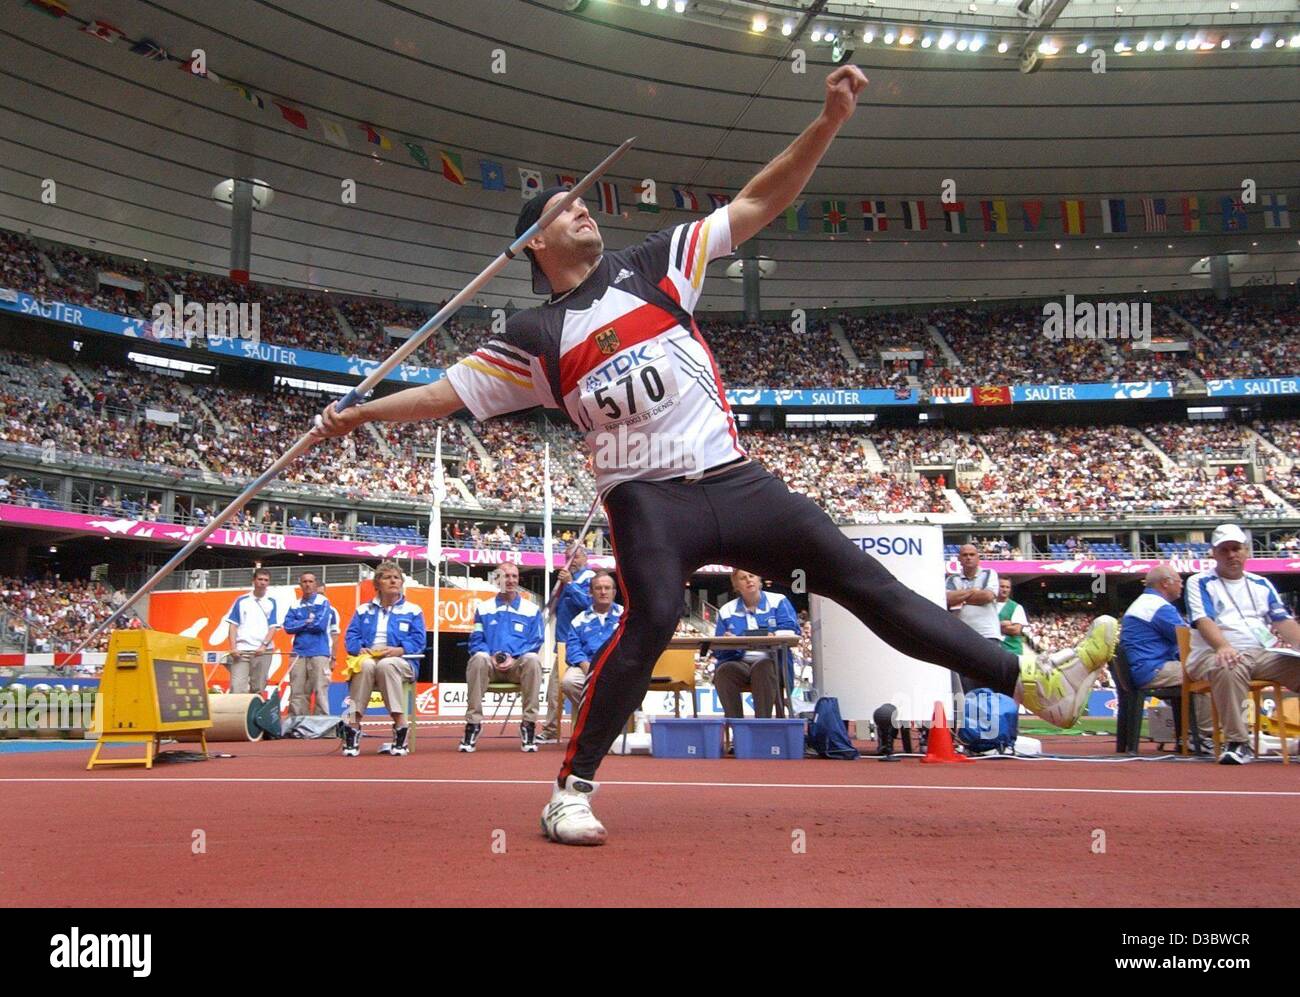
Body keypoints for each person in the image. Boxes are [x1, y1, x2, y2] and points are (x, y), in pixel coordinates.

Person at [313, 64, 1118, 845]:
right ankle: (570, 791)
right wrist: (355, 415)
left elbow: (759, 199)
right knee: (655, 611)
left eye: (584, 203)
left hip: (735, 480)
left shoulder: (656, 264)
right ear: (532, 245)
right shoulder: (533, 337)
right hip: (646, 498)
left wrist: (828, 122)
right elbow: (444, 395)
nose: (585, 211)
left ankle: (1033, 683)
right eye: (565, 211)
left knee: (859, 577)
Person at [1185, 524, 1300, 765]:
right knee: (1227, 664)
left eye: (1236, 549)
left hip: (1260, 654)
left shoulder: (1261, 584)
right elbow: (1203, 620)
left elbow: (1283, 621)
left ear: (1246, 551)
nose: (1231, 555)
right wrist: (1222, 646)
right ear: (1213, 553)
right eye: (1224, 550)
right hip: (1214, 652)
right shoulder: (1200, 582)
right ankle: (1238, 742)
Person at [1120, 565, 1212, 748]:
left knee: (1197, 669)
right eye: (1180, 581)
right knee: (1209, 672)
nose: (1182, 586)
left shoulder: (1145, 603)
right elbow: (1188, 640)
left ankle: (1187, 737)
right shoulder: (1158, 607)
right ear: (1165, 583)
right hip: (1152, 669)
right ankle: (1202, 738)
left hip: (1143, 668)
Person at [341, 561, 426, 757]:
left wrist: (399, 650)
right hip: (370, 657)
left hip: (401, 661)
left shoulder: (413, 610)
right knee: (365, 665)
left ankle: (400, 726)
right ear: (377, 583)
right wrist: (359, 649)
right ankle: (353, 727)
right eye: (387, 577)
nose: (393, 581)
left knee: (387, 665)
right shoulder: (363, 610)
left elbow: (419, 641)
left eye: (396, 577)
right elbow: (351, 637)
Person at [461, 562, 544, 753]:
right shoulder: (483, 609)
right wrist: (490, 657)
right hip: (490, 667)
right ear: (497, 579)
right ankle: (473, 724)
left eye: (514, 576)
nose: (511, 580)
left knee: (532, 659)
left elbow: (536, 641)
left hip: (517, 667)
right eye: (506, 576)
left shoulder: (531, 610)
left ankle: (528, 724)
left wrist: (514, 658)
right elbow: (476, 639)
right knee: (478, 657)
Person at [711, 569, 799, 719]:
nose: (748, 580)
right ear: (736, 586)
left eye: (751, 576)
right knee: (723, 671)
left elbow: (791, 631)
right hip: (740, 663)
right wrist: (729, 642)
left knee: (763, 666)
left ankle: (761, 724)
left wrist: (772, 635)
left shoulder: (778, 601)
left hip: (772, 663)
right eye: (742, 578)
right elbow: (718, 650)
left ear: (759, 580)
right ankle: (737, 727)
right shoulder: (726, 610)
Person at [539, 542, 596, 744]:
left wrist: (570, 584)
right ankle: (551, 729)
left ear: (585, 558)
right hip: (562, 642)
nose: (570, 562)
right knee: (554, 689)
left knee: (562, 687)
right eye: (567, 558)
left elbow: (589, 606)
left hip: (578, 644)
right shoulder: (567, 580)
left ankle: (569, 728)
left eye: (575, 557)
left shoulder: (589, 579)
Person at [557, 571, 621, 728]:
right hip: (587, 667)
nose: (603, 592)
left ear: (614, 592)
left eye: (607, 588)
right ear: (590, 592)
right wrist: (586, 666)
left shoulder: (625, 616)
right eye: (598, 588)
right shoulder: (579, 619)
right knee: (569, 682)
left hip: (617, 667)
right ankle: (600, 716)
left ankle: (599, 719)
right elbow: (572, 647)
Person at [282, 571, 339, 717]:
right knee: (297, 690)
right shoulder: (295, 604)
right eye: (304, 581)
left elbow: (320, 625)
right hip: (298, 652)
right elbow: (287, 627)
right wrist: (306, 622)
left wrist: (299, 624)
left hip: (319, 651)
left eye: (310, 581)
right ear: (300, 584)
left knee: (320, 689)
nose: (307, 584)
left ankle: (321, 724)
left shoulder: (323, 602)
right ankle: (297, 723)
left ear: (315, 584)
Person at [945, 544, 1000, 692]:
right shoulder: (952, 579)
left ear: (978, 557)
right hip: (963, 637)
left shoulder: (989, 573)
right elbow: (948, 599)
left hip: (987, 634)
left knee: (989, 679)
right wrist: (973, 592)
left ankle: (990, 713)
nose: (968, 557)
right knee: (967, 682)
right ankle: (972, 713)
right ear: (959, 559)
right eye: (965, 555)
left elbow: (988, 596)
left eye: (972, 554)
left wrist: (961, 597)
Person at [224, 567, 279, 696]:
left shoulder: (272, 602)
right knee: (237, 687)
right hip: (242, 650)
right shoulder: (241, 600)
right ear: (253, 581)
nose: (263, 582)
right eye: (260, 579)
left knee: (258, 688)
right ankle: (238, 715)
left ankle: (254, 715)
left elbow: (273, 627)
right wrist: (233, 647)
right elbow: (233, 625)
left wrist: (264, 645)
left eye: (266, 580)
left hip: (263, 651)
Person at [995, 578, 1029, 657]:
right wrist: (1002, 624)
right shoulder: (989, 605)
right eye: (1002, 586)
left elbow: (1015, 630)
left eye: (1007, 587)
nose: (1005, 589)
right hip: (994, 650)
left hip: (1012, 651)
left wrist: (993, 627)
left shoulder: (1017, 607)